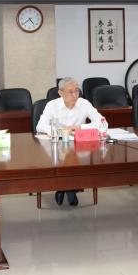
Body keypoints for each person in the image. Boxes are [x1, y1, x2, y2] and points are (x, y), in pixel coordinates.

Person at [36, 77, 103, 206]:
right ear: (60, 93)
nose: (74, 95)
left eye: (77, 91)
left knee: (76, 158)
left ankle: (65, 188)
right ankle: (69, 188)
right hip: (57, 146)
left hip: (79, 145)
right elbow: (40, 126)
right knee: (64, 159)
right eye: (70, 91)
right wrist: (60, 130)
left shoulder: (84, 103)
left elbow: (102, 122)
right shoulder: (52, 105)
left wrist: (79, 127)